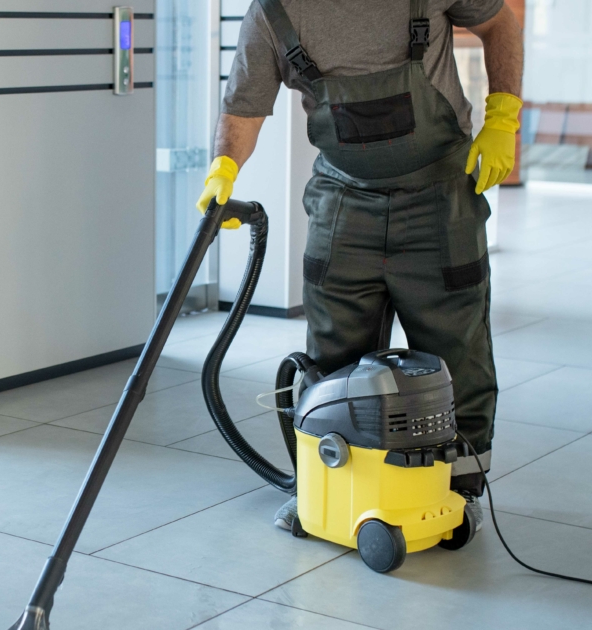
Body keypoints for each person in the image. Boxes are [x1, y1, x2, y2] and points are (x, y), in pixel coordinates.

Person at [199, 0, 523, 531]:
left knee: (455, 350)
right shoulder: (273, 10)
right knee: (332, 354)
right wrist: (224, 168)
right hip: (344, 199)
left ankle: (457, 489)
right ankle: (329, 487)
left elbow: (499, 24)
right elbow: (244, 106)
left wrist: (504, 117)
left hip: (439, 194)